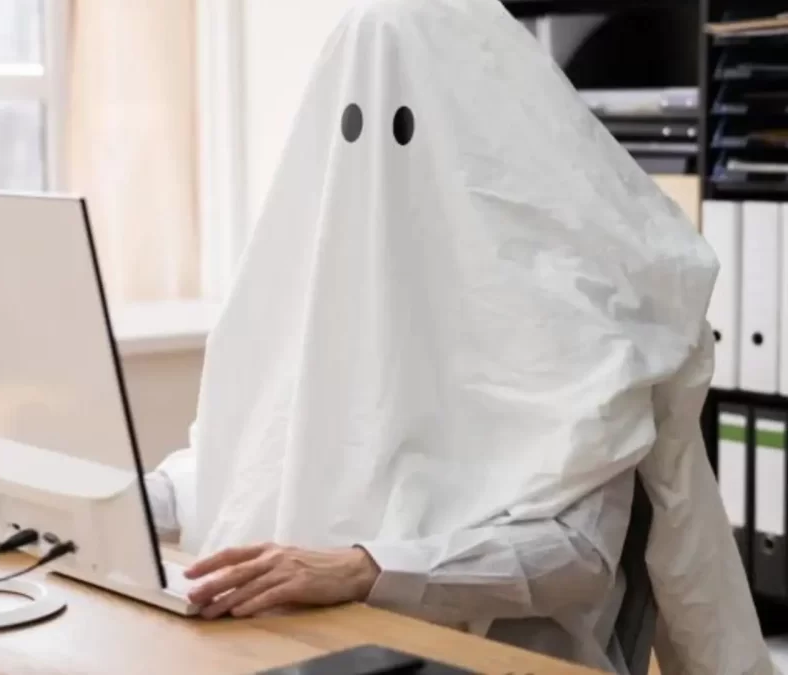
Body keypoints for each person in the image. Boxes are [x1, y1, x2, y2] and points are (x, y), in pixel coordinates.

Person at [145, 0, 773, 673]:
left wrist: (368, 567)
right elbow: (240, 459)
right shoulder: (329, 288)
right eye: (349, 122)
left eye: (405, 125)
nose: (377, 163)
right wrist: (121, 497)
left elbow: (578, 552)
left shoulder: (570, 308)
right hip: (310, 644)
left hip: (486, 655)